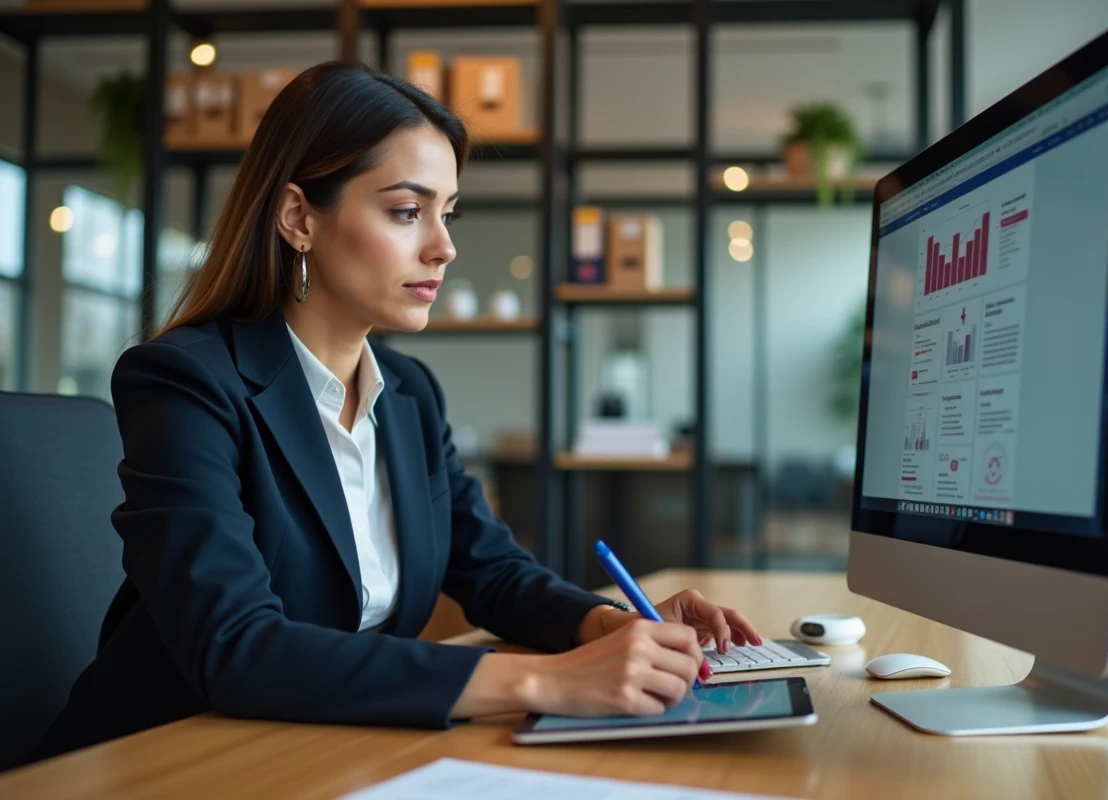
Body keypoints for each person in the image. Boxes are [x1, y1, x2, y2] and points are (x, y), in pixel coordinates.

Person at [36, 62, 762, 759]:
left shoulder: (410, 395)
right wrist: (548, 681)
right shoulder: (187, 382)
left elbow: (493, 572)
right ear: (298, 217)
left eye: (447, 213)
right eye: (407, 211)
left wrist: (613, 626)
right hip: (167, 761)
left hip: (321, 748)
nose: (443, 248)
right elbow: (236, 646)